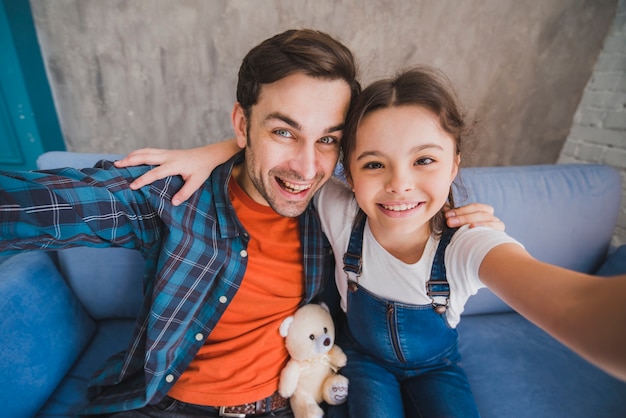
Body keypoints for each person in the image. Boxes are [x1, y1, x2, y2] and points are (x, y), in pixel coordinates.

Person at [0, 30, 499, 417]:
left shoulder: (341, 210)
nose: (306, 169)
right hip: (166, 406)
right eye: (284, 131)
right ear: (242, 124)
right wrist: (221, 154)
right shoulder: (175, 196)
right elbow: (34, 205)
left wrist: (455, 226)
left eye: (327, 139)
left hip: (285, 404)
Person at [118, 66, 626, 417]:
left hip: (437, 367)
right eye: (374, 164)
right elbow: (288, 156)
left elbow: (576, 300)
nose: (399, 184)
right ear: (349, 174)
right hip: (364, 360)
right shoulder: (338, 207)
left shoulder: (469, 242)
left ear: (455, 165)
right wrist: (216, 150)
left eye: (424, 160)